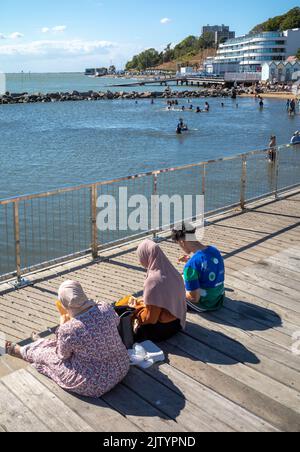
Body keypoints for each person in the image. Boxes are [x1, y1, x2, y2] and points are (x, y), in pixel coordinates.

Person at [5, 281, 130, 398]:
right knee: (68, 345)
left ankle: (21, 351)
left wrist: (62, 326)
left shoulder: (68, 329)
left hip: (96, 383)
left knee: (48, 355)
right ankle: (39, 342)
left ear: (64, 303)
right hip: (121, 366)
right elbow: (114, 320)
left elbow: (62, 355)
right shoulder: (106, 308)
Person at [130, 240, 187, 342]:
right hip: (178, 322)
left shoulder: (153, 280)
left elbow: (151, 319)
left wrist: (135, 312)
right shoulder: (173, 272)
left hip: (163, 329)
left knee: (128, 319)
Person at [172, 223, 225, 313]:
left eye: (178, 244)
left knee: (170, 289)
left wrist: (176, 291)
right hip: (219, 297)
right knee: (183, 277)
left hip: (205, 304)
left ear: (181, 242)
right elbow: (207, 265)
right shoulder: (214, 250)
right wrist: (191, 260)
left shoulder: (191, 266)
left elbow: (194, 298)